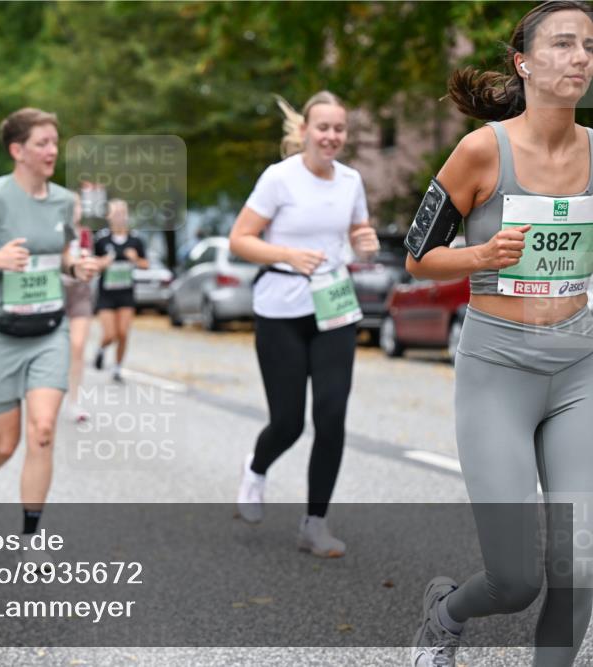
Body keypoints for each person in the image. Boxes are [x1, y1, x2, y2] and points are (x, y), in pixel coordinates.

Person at [406, 3, 593, 666]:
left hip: (580, 371)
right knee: (515, 580)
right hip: (498, 371)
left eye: (589, 47)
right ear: (524, 62)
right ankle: (445, 613)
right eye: (564, 44)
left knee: (581, 564)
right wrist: (482, 256)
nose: (580, 58)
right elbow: (417, 256)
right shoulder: (482, 149)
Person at [0, 108, 100, 563]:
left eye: (55, 142)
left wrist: (75, 266)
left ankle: (31, 540)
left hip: (49, 330)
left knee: (44, 430)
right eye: (42, 143)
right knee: (5, 444)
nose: (53, 150)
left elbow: (66, 249)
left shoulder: (66, 201)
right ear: (17, 150)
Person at [228, 91, 380, 558]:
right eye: (323, 127)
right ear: (304, 132)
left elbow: (358, 236)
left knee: (331, 417)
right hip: (280, 310)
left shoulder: (351, 181)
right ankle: (256, 468)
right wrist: (288, 255)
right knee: (289, 422)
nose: (331, 136)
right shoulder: (279, 179)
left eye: (339, 129)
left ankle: (315, 524)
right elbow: (240, 240)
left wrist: (365, 244)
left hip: (333, 306)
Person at [92, 199, 149, 383]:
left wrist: (135, 260)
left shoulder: (135, 240)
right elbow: (92, 264)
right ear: (108, 216)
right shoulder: (101, 240)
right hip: (106, 294)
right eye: (115, 213)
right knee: (110, 334)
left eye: (122, 213)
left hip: (126, 292)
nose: (119, 217)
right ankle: (101, 349)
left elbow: (145, 264)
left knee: (123, 333)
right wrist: (103, 263)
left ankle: (117, 368)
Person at [64, 194, 96, 423]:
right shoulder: (55, 231)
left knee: (77, 346)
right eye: (71, 206)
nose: (75, 210)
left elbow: (90, 259)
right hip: (54, 291)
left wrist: (91, 264)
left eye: (78, 206)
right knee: (55, 348)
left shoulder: (85, 233)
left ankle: (74, 401)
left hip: (80, 293)